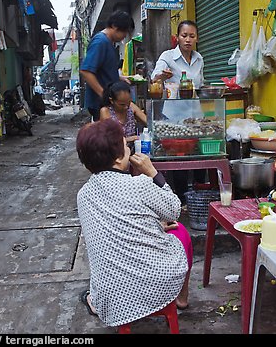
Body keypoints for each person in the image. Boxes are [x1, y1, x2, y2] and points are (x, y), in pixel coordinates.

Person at [75, 119, 193, 327]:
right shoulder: (139, 184)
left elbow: (112, 228)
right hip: (156, 284)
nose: (129, 150)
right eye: (126, 146)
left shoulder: (83, 195)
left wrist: (153, 225)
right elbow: (174, 210)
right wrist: (153, 172)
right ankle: (181, 298)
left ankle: (94, 302)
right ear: (119, 158)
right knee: (181, 231)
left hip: (112, 295)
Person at [150, 20, 207, 198]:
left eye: (192, 36)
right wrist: (161, 75)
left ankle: (199, 194)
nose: (188, 40)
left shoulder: (199, 59)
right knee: (179, 155)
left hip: (195, 114)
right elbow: (154, 77)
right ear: (177, 37)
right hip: (174, 116)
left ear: (196, 38)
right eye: (184, 35)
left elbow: (201, 84)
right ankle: (181, 197)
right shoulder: (168, 56)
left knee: (198, 155)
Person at [80, 10, 135, 121]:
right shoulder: (100, 42)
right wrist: (103, 94)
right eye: (124, 32)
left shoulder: (109, 42)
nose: (124, 36)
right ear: (114, 26)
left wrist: (119, 77)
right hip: (100, 103)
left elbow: (103, 70)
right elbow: (86, 71)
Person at [100, 80, 147, 153]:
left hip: (131, 152)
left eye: (128, 103)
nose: (126, 107)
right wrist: (129, 139)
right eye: (122, 104)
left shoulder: (131, 107)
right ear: (112, 100)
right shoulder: (105, 111)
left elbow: (148, 122)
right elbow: (109, 139)